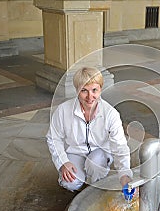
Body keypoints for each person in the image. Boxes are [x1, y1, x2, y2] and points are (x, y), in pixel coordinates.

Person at [46, 67, 134, 197]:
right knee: (71, 183)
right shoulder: (63, 110)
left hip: (100, 153)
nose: (89, 97)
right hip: (76, 152)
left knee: (95, 164)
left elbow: (120, 146)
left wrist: (125, 175)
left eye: (94, 90)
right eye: (84, 91)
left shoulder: (110, 114)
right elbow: (53, 138)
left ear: (101, 89)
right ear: (77, 90)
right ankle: (82, 177)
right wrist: (63, 162)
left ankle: (96, 181)